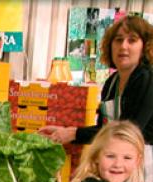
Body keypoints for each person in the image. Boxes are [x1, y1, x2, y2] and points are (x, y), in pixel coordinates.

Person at [39, 15, 153, 145]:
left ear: (145, 47)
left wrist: (73, 133)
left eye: (132, 40)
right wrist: (68, 132)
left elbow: (128, 132)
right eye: (118, 40)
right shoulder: (112, 82)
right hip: (119, 156)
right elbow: (104, 130)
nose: (123, 46)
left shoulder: (147, 79)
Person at [68, 120, 144, 182]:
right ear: (96, 157)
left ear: (137, 161)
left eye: (127, 158)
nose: (118, 164)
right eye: (110, 156)